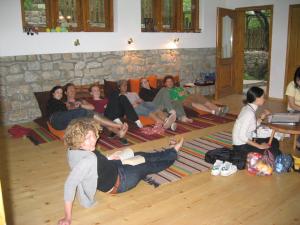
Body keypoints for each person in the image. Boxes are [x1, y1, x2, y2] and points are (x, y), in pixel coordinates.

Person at [57, 118, 184, 225]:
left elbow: (96, 163)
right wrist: (67, 217)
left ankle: (169, 151)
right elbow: (70, 184)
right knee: (148, 165)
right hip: (121, 181)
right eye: (87, 138)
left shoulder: (73, 149)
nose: (93, 141)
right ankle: (173, 154)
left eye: (93, 135)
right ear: (77, 139)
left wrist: (109, 158)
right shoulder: (86, 160)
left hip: (113, 166)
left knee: (140, 154)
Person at [46, 86, 128, 139]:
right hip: (59, 118)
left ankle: (119, 132)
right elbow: (55, 114)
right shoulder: (57, 102)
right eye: (57, 92)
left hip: (70, 119)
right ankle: (119, 125)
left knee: (94, 117)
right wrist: (71, 106)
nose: (73, 91)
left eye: (74, 89)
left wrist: (80, 105)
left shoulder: (80, 100)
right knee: (87, 113)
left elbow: (92, 107)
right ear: (66, 93)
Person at [232, 86, 282, 158]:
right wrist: (259, 146)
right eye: (263, 97)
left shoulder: (247, 108)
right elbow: (241, 136)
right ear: (257, 99)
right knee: (275, 152)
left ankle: (270, 153)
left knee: (274, 140)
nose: (264, 99)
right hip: (241, 147)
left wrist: (262, 116)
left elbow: (252, 126)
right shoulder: (249, 113)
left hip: (247, 142)